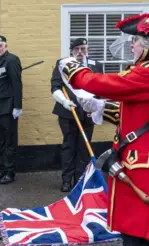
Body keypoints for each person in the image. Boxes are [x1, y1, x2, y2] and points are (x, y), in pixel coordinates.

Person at [59, 13, 149, 246]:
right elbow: (145, 113)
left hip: (145, 165)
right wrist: (103, 108)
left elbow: (102, 83)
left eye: (136, 41)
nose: (131, 45)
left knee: (134, 232)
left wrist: (74, 70)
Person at [50, 38, 104, 192]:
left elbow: (101, 90)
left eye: (83, 48)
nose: (80, 52)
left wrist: (95, 108)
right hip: (67, 113)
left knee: (84, 148)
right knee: (68, 146)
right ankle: (67, 180)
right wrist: (64, 102)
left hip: (87, 114)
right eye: (76, 49)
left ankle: (81, 180)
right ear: (71, 50)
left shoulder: (96, 65)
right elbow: (54, 87)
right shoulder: (63, 64)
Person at [0, 35, 23, 185]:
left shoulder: (12, 60)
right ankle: (2, 170)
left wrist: (17, 106)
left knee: (9, 142)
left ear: (6, 46)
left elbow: (17, 83)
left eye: (1, 45)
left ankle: (10, 172)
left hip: (7, 108)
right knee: (0, 141)